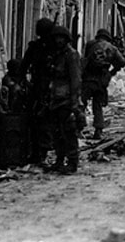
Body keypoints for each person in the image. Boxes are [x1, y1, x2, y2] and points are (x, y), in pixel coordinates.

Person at [47, 25, 84, 174]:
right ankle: (59, 159)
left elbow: (76, 80)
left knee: (69, 131)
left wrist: (75, 102)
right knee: (57, 132)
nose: (58, 41)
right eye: (56, 38)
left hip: (67, 98)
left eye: (61, 38)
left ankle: (73, 161)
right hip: (55, 97)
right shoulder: (57, 55)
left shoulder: (71, 55)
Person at [21, 18, 56, 165]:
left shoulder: (39, 47)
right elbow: (24, 67)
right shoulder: (50, 47)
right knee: (42, 119)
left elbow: (23, 67)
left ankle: (40, 151)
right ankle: (40, 151)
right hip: (43, 87)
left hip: (44, 87)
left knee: (40, 119)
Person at [81, 28, 125, 139]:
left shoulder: (90, 44)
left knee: (82, 103)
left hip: (89, 77)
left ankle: (79, 128)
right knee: (98, 105)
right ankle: (98, 130)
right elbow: (122, 62)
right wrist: (112, 71)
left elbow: (85, 59)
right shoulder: (112, 48)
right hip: (102, 79)